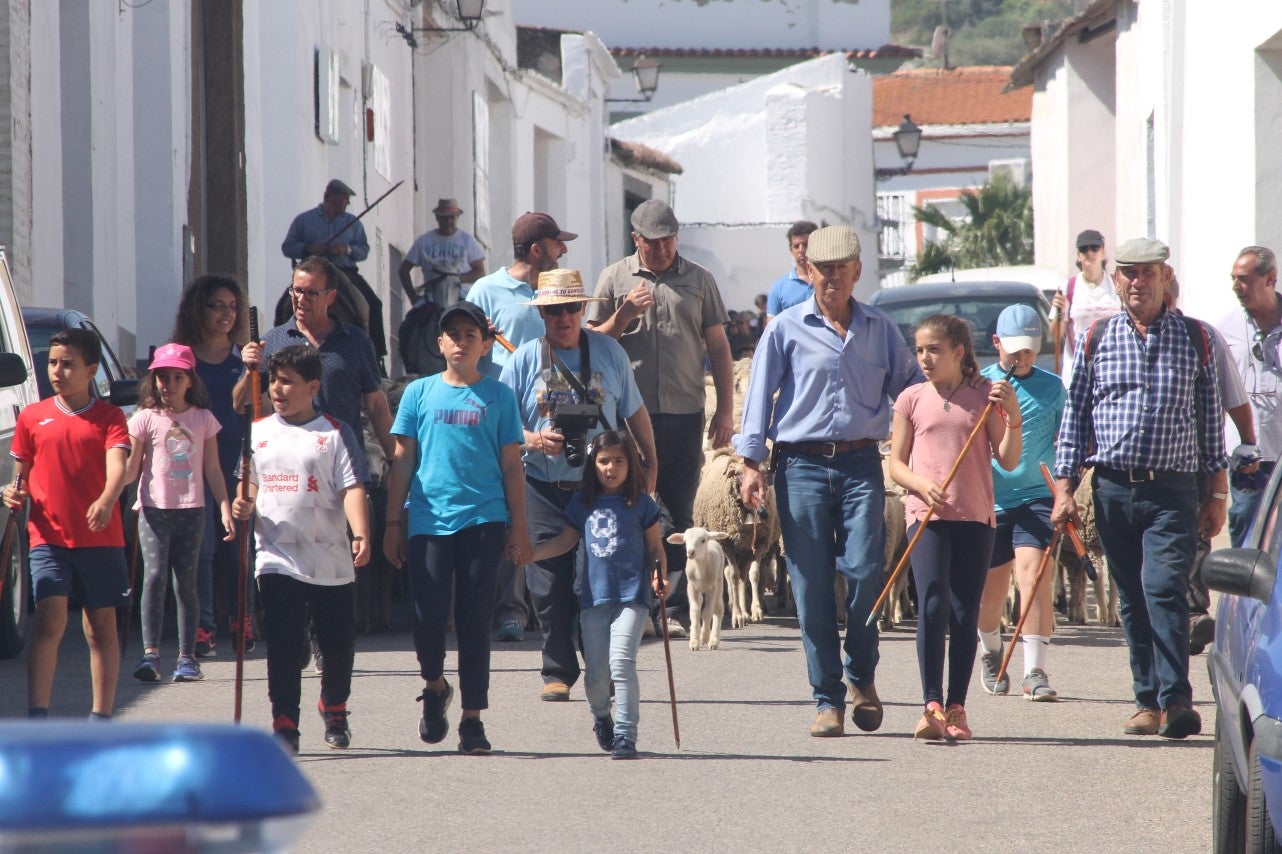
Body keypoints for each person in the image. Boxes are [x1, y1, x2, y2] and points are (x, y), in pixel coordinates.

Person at [737, 225, 924, 738]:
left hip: (863, 464)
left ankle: (861, 675)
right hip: (800, 468)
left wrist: (957, 396)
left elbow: (912, 392)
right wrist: (751, 464)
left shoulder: (880, 329)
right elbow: (758, 399)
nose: (833, 277)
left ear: (858, 271)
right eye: (823, 269)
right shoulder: (784, 329)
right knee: (811, 585)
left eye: (843, 267)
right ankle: (828, 698)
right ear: (809, 272)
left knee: (867, 570)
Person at [1052, 237, 1227, 740]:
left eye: (1147, 272)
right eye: (1127, 272)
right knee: (1130, 597)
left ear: (1164, 277)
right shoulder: (1096, 338)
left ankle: (1176, 702)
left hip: (1172, 491)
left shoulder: (1196, 339)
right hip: (1110, 488)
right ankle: (1145, 700)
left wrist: (1216, 494)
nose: (1136, 281)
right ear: (1115, 279)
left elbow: (1209, 421)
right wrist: (1064, 488)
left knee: (1163, 589)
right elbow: (1075, 416)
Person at [501, 269, 657, 702]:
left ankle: (600, 667)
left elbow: (635, 410)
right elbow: (502, 422)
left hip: (599, 490)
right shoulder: (523, 360)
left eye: (571, 308)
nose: (564, 317)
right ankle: (557, 670)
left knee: (595, 580)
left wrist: (651, 465)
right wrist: (534, 439)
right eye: (554, 310)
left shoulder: (609, 353)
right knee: (548, 584)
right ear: (543, 314)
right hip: (541, 486)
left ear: (583, 308)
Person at [383, 301, 531, 755]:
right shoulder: (418, 393)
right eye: (453, 334)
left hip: (484, 519)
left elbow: (511, 464)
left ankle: (472, 719)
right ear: (440, 342)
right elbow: (402, 459)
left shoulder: (499, 396)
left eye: (471, 335)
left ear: (485, 345)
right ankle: (435, 685)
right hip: (428, 519)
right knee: (427, 616)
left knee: (473, 620)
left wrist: (519, 527)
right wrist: (392, 521)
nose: (461, 342)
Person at [587, 199, 733, 636]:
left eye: (670, 240)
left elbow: (720, 348)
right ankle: (636, 600)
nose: (663, 249)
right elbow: (591, 341)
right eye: (653, 243)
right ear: (637, 240)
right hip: (629, 416)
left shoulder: (699, 280)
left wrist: (725, 409)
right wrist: (624, 313)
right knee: (636, 504)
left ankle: (676, 603)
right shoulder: (614, 278)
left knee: (681, 506)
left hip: (685, 411)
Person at [231, 345, 370, 753]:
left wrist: (359, 531)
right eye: (274, 380)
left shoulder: (334, 433)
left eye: (287, 381)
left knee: (337, 646)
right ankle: (285, 724)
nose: (277, 388)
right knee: (285, 644)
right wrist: (243, 504)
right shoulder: (257, 433)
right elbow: (249, 483)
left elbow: (352, 487)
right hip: (277, 557)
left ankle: (335, 706)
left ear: (312, 386)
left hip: (329, 559)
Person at [890, 315, 1022, 740]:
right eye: (920, 350)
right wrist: (920, 484)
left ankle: (957, 707)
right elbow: (895, 464)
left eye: (934, 350)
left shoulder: (984, 395)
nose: (924, 358)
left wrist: (1013, 415)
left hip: (976, 516)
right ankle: (929, 705)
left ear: (958, 352)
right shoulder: (910, 398)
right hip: (925, 516)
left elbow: (1008, 458)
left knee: (966, 611)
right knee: (931, 604)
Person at [5, 329, 131, 720]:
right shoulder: (32, 416)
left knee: (101, 627)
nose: (57, 371)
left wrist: (107, 500)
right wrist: (12, 492)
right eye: (53, 362)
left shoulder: (109, 418)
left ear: (92, 370)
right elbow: (19, 475)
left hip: (101, 539)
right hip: (48, 537)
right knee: (49, 618)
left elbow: (118, 467)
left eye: (68, 364)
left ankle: (102, 717)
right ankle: (38, 715)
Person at [469, 212, 577, 644]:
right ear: (537, 249)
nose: (563, 249)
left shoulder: (559, 291)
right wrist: (481, 341)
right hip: (503, 421)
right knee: (510, 512)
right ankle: (510, 610)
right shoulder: (485, 290)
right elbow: (459, 353)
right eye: (557, 243)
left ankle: (551, 606)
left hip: (560, 419)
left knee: (551, 518)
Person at [530, 431, 666, 759]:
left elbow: (655, 547)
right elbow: (564, 542)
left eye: (619, 461)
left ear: (631, 465)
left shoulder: (642, 504)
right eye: (604, 461)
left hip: (632, 596)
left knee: (622, 664)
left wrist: (660, 575)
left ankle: (625, 735)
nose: (611, 468)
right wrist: (529, 554)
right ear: (592, 466)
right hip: (593, 599)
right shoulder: (582, 503)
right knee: (596, 676)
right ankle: (602, 716)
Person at [125, 343, 235, 685]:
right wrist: (107, 489)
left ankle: (187, 657)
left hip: (192, 509)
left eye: (177, 376)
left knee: (185, 583)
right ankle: (151, 654)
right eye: (161, 376)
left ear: (190, 380)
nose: (168, 384)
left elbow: (213, 470)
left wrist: (225, 507)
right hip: (154, 509)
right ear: (153, 379)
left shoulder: (203, 419)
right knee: (154, 577)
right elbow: (130, 470)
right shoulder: (143, 418)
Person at [974, 305, 1065, 701]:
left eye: (1029, 351)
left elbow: (1069, 440)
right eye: (1014, 351)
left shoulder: (1053, 387)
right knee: (991, 587)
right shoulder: (980, 386)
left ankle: (1034, 672)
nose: (1021, 359)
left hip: (1037, 496)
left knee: (1033, 576)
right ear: (996, 344)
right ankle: (991, 651)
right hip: (990, 497)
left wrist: (1066, 488)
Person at [247, 256, 395, 486]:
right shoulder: (273, 341)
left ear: (331, 297)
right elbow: (243, 402)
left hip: (343, 469)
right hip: (287, 473)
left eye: (311, 293)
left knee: (370, 304)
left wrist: (396, 460)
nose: (301, 299)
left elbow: (375, 404)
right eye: (296, 291)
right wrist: (250, 369)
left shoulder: (356, 342)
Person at [1165, 273, 1254, 654]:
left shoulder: (1201, 337)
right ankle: (1174, 615)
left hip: (1196, 461)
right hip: (1140, 470)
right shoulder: (1119, 336)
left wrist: (1249, 441)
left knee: (1195, 535)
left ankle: (1192, 615)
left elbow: (1234, 396)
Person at [170, 275, 256, 657]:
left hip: (236, 462)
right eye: (217, 305)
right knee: (200, 548)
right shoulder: (181, 359)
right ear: (198, 309)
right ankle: (202, 627)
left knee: (238, 547)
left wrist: (256, 371)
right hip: (190, 464)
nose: (226, 314)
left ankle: (241, 620)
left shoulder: (245, 358)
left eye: (232, 307)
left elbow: (262, 408)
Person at [281, 179, 387, 372]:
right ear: (330, 197)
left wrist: (346, 249)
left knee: (372, 304)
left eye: (346, 201)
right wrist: (308, 247)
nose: (346, 204)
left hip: (344, 273)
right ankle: (279, 345)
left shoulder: (352, 223)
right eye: (343, 200)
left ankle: (375, 355)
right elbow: (288, 247)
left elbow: (363, 250)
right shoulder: (304, 220)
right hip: (312, 273)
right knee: (284, 305)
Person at [1216, 246, 1281, 548]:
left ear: (1270, 278)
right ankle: (1242, 594)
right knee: (1245, 524)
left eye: (1243, 279)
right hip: (1248, 455)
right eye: (1233, 279)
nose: (1235, 287)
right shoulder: (1227, 328)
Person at [1051, 229, 1120, 382]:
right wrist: (1059, 313)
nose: (1089, 253)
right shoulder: (1068, 287)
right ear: (1078, 255)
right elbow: (1055, 335)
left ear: (1102, 252)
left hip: (1112, 369)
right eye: (1084, 249)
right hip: (1077, 372)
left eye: (1094, 248)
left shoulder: (1117, 285)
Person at [397, 198, 487, 304]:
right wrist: (413, 297)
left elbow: (480, 272)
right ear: (437, 218)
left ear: (457, 218)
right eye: (444, 217)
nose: (448, 221)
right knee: (412, 320)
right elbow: (404, 269)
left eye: (451, 217)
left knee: (481, 318)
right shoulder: (424, 241)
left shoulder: (467, 240)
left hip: (463, 297)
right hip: (431, 299)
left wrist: (454, 280)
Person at [765, 221, 819, 324]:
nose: (801, 250)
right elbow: (772, 327)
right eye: (796, 246)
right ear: (791, 249)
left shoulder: (827, 281)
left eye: (806, 244)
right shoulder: (779, 287)